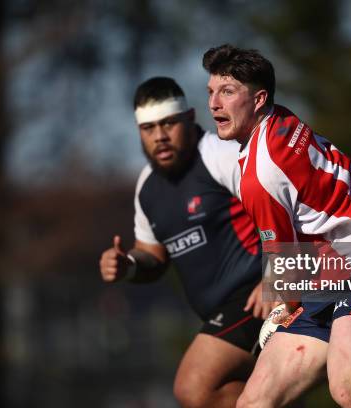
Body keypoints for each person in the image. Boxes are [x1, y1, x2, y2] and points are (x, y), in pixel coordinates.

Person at [203, 44, 351, 408]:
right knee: (252, 404)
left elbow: (285, 272)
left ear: (259, 99)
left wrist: (281, 306)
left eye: (228, 92)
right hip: (326, 275)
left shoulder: (259, 175)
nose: (214, 104)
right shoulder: (280, 118)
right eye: (211, 92)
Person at [99, 77, 277, 408]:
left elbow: (279, 208)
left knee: (193, 387)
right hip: (220, 313)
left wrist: (275, 277)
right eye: (148, 128)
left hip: (255, 296)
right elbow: (153, 255)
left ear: (190, 117)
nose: (160, 137)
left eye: (168, 124)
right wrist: (129, 265)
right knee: (251, 395)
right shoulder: (147, 187)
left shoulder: (220, 155)